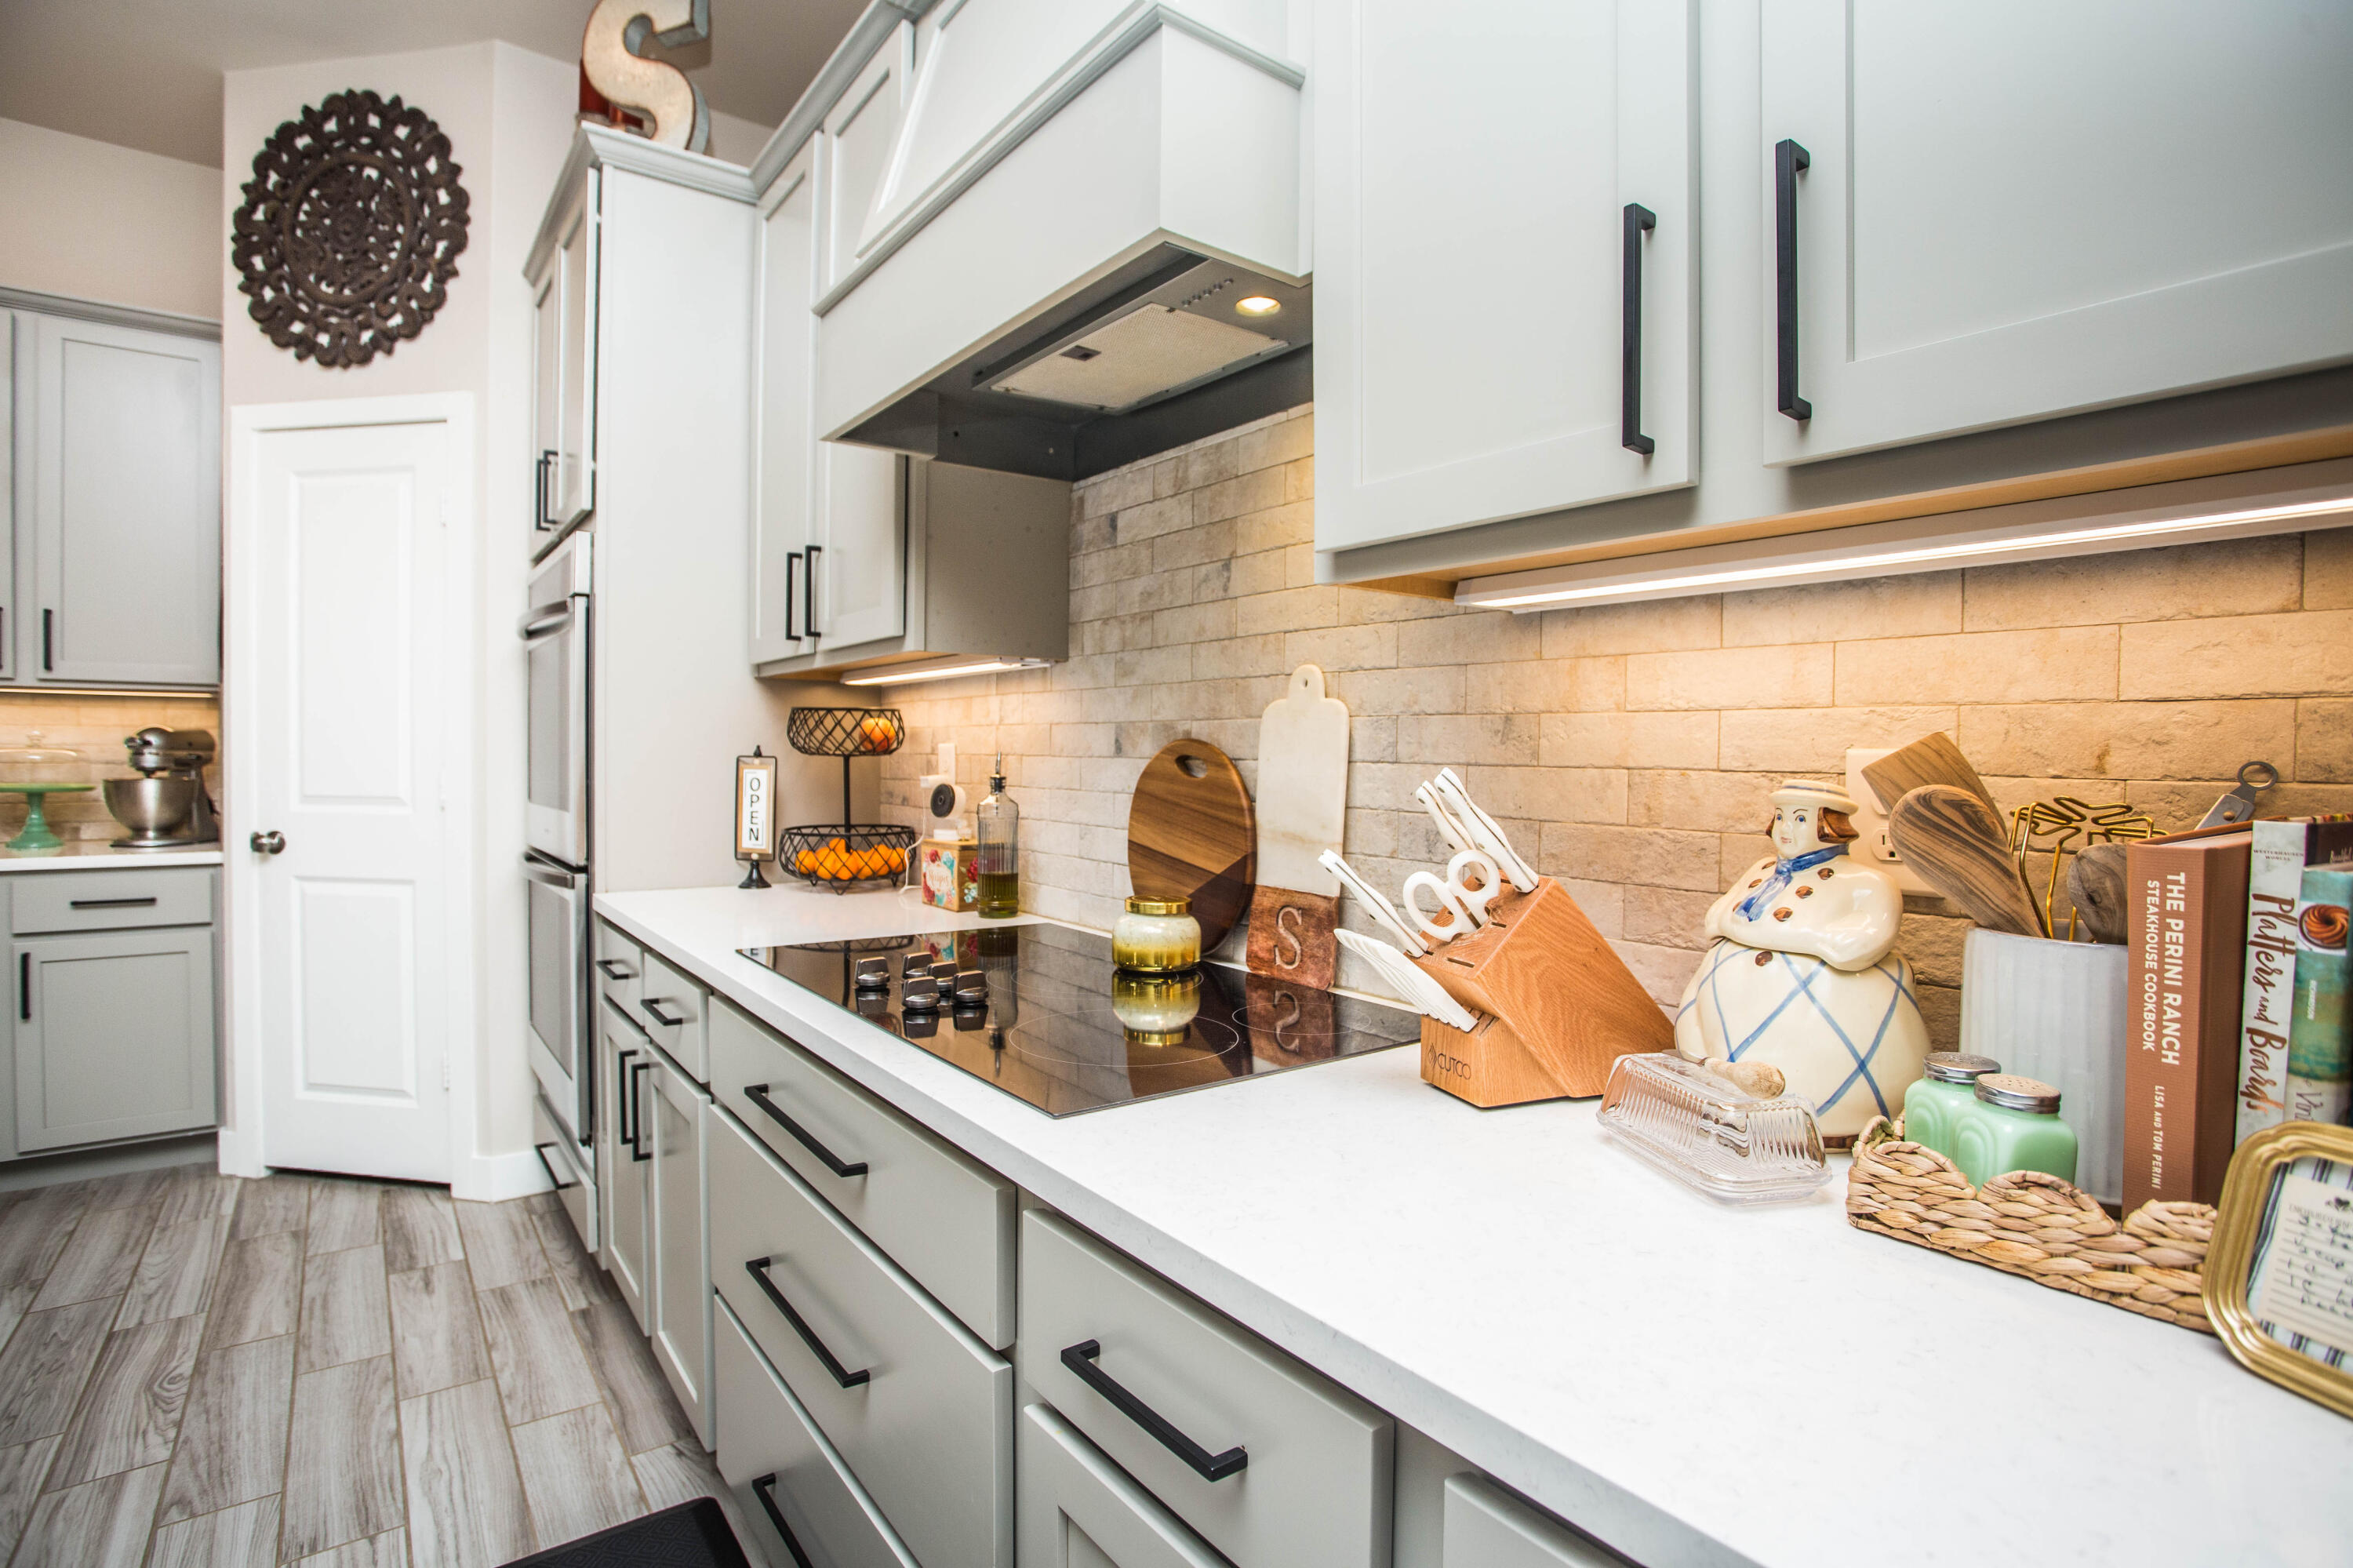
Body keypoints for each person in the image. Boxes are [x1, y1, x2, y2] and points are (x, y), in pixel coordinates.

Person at [1673, 779, 1930, 1140]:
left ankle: (1823, 1125)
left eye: (1799, 819)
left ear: (1832, 825)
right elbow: (1715, 919)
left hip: (1819, 1028)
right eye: (1780, 817)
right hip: (1724, 1011)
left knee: (1803, 1088)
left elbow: (1853, 949)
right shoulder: (1761, 870)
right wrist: (1796, 936)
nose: (1785, 830)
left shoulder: (1869, 883)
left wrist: (1757, 931)